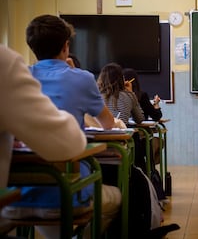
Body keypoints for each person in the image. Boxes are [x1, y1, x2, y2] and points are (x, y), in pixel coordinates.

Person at [2, 15, 122, 239]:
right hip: (67, 191)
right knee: (116, 196)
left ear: (32, 47)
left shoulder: (20, 77)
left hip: (13, 196)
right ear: (66, 46)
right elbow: (108, 124)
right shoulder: (83, 78)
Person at [0, 44, 87, 189]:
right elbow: (68, 143)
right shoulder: (6, 62)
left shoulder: (28, 71)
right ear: (65, 47)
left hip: (15, 194)